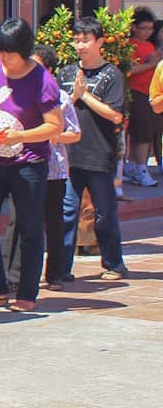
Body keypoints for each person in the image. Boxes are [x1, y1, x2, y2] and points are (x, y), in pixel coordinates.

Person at [0, 19, 63, 313]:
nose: (4, 60)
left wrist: (20, 135)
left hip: (29, 163)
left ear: (24, 51)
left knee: (29, 227)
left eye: (10, 54)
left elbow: (55, 126)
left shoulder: (42, 80)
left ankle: (26, 292)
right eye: (0, 52)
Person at [58, 17, 130, 282]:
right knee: (66, 212)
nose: (80, 45)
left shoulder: (112, 74)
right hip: (69, 155)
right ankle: (60, 269)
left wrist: (84, 95)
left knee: (103, 213)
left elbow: (115, 115)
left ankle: (114, 263)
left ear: (99, 42)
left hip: (100, 154)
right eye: (76, 40)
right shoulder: (65, 73)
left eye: (85, 40)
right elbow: (55, 108)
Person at [31, 45, 82, 291]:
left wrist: (54, 135)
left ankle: (55, 273)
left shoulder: (60, 97)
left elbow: (74, 133)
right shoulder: (22, 93)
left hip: (54, 169)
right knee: (27, 223)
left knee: (53, 222)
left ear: (49, 69)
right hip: (28, 165)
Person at [124, 8, 160, 187]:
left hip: (149, 93)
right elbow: (129, 70)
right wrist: (151, 64)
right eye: (144, 28)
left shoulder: (150, 45)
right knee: (142, 134)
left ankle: (132, 166)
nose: (148, 32)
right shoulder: (129, 45)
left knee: (145, 132)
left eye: (150, 29)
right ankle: (141, 169)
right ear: (133, 27)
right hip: (137, 93)